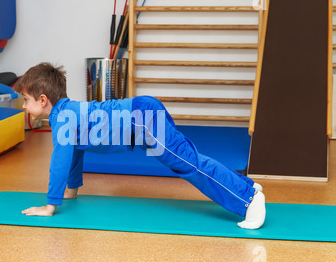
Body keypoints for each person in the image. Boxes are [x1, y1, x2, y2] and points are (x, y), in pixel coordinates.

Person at [14, 63, 266, 229]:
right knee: (189, 158)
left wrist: (50, 205)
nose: (24, 106)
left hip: (142, 119)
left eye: (25, 100)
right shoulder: (67, 113)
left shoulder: (62, 118)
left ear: (43, 99)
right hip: (142, 115)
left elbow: (59, 162)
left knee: (188, 163)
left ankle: (249, 200)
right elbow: (74, 153)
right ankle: (247, 186)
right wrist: (72, 191)